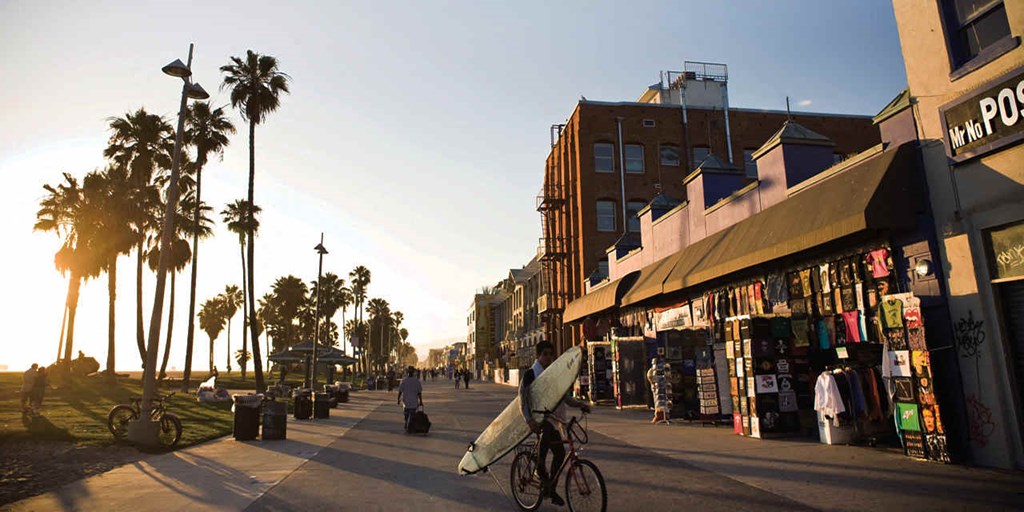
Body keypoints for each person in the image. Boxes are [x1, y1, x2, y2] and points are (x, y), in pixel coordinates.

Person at [519, 340, 590, 506]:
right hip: (537, 419)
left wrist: (580, 404)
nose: (549, 358)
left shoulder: (553, 374)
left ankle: (550, 488)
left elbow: (563, 396)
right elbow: (522, 400)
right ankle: (539, 467)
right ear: (538, 356)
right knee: (546, 437)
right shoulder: (530, 374)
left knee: (559, 454)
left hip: (552, 419)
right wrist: (529, 420)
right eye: (545, 354)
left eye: (551, 354)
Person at [397, 366, 423, 432]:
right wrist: (421, 401)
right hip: (414, 402)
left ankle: (407, 424)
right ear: (414, 372)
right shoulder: (417, 381)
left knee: (406, 415)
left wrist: (398, 399)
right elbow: (419, 393)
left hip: (406, 402)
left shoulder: (404, 381)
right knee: (412, 415)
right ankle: (410, 426)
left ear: (407, 372)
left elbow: (400, 391)